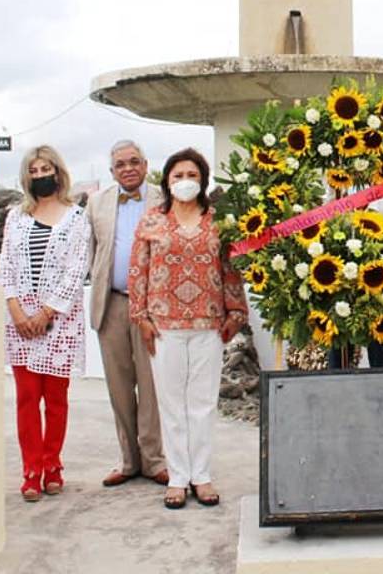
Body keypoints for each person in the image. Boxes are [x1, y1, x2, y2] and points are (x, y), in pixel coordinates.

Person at [129, 148, 248, 509]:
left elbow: (230, 269)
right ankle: (178, 477)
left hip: (208, 324)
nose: (184, 182)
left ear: (203, 181)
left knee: (202, 402)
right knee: (171, 404)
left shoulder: (217, 222)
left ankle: (202, 475)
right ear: (166, 180)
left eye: (192, 175)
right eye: (178, 175)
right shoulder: (152, 221)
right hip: (164, 325)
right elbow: (138, 272)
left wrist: (235, 312)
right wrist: (142, 318)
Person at [0, 145, 91, 502]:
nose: (40, 175)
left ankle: (52, 464)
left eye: (46, 168)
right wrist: (18, 312)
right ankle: (31, 470)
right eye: (34, 170)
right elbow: (5, 265)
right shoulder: (16, 217)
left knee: (55, 400)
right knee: (26, 399)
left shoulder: (75, 216)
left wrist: (46, 312)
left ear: (58, 171)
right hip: (20, 323)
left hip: (58, 322)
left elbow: (75, 269)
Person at [86, 140, 168, 488]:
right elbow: (92, 253)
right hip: (113, 303)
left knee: (150, 387)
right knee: (120, 387)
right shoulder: (95, 203)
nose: (128, 168)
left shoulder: (164, 200)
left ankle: (154, 460)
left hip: (152, 306)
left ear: (146, 165)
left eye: (134, 162)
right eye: (120, 164)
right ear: (112, 171)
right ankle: (128, 460)